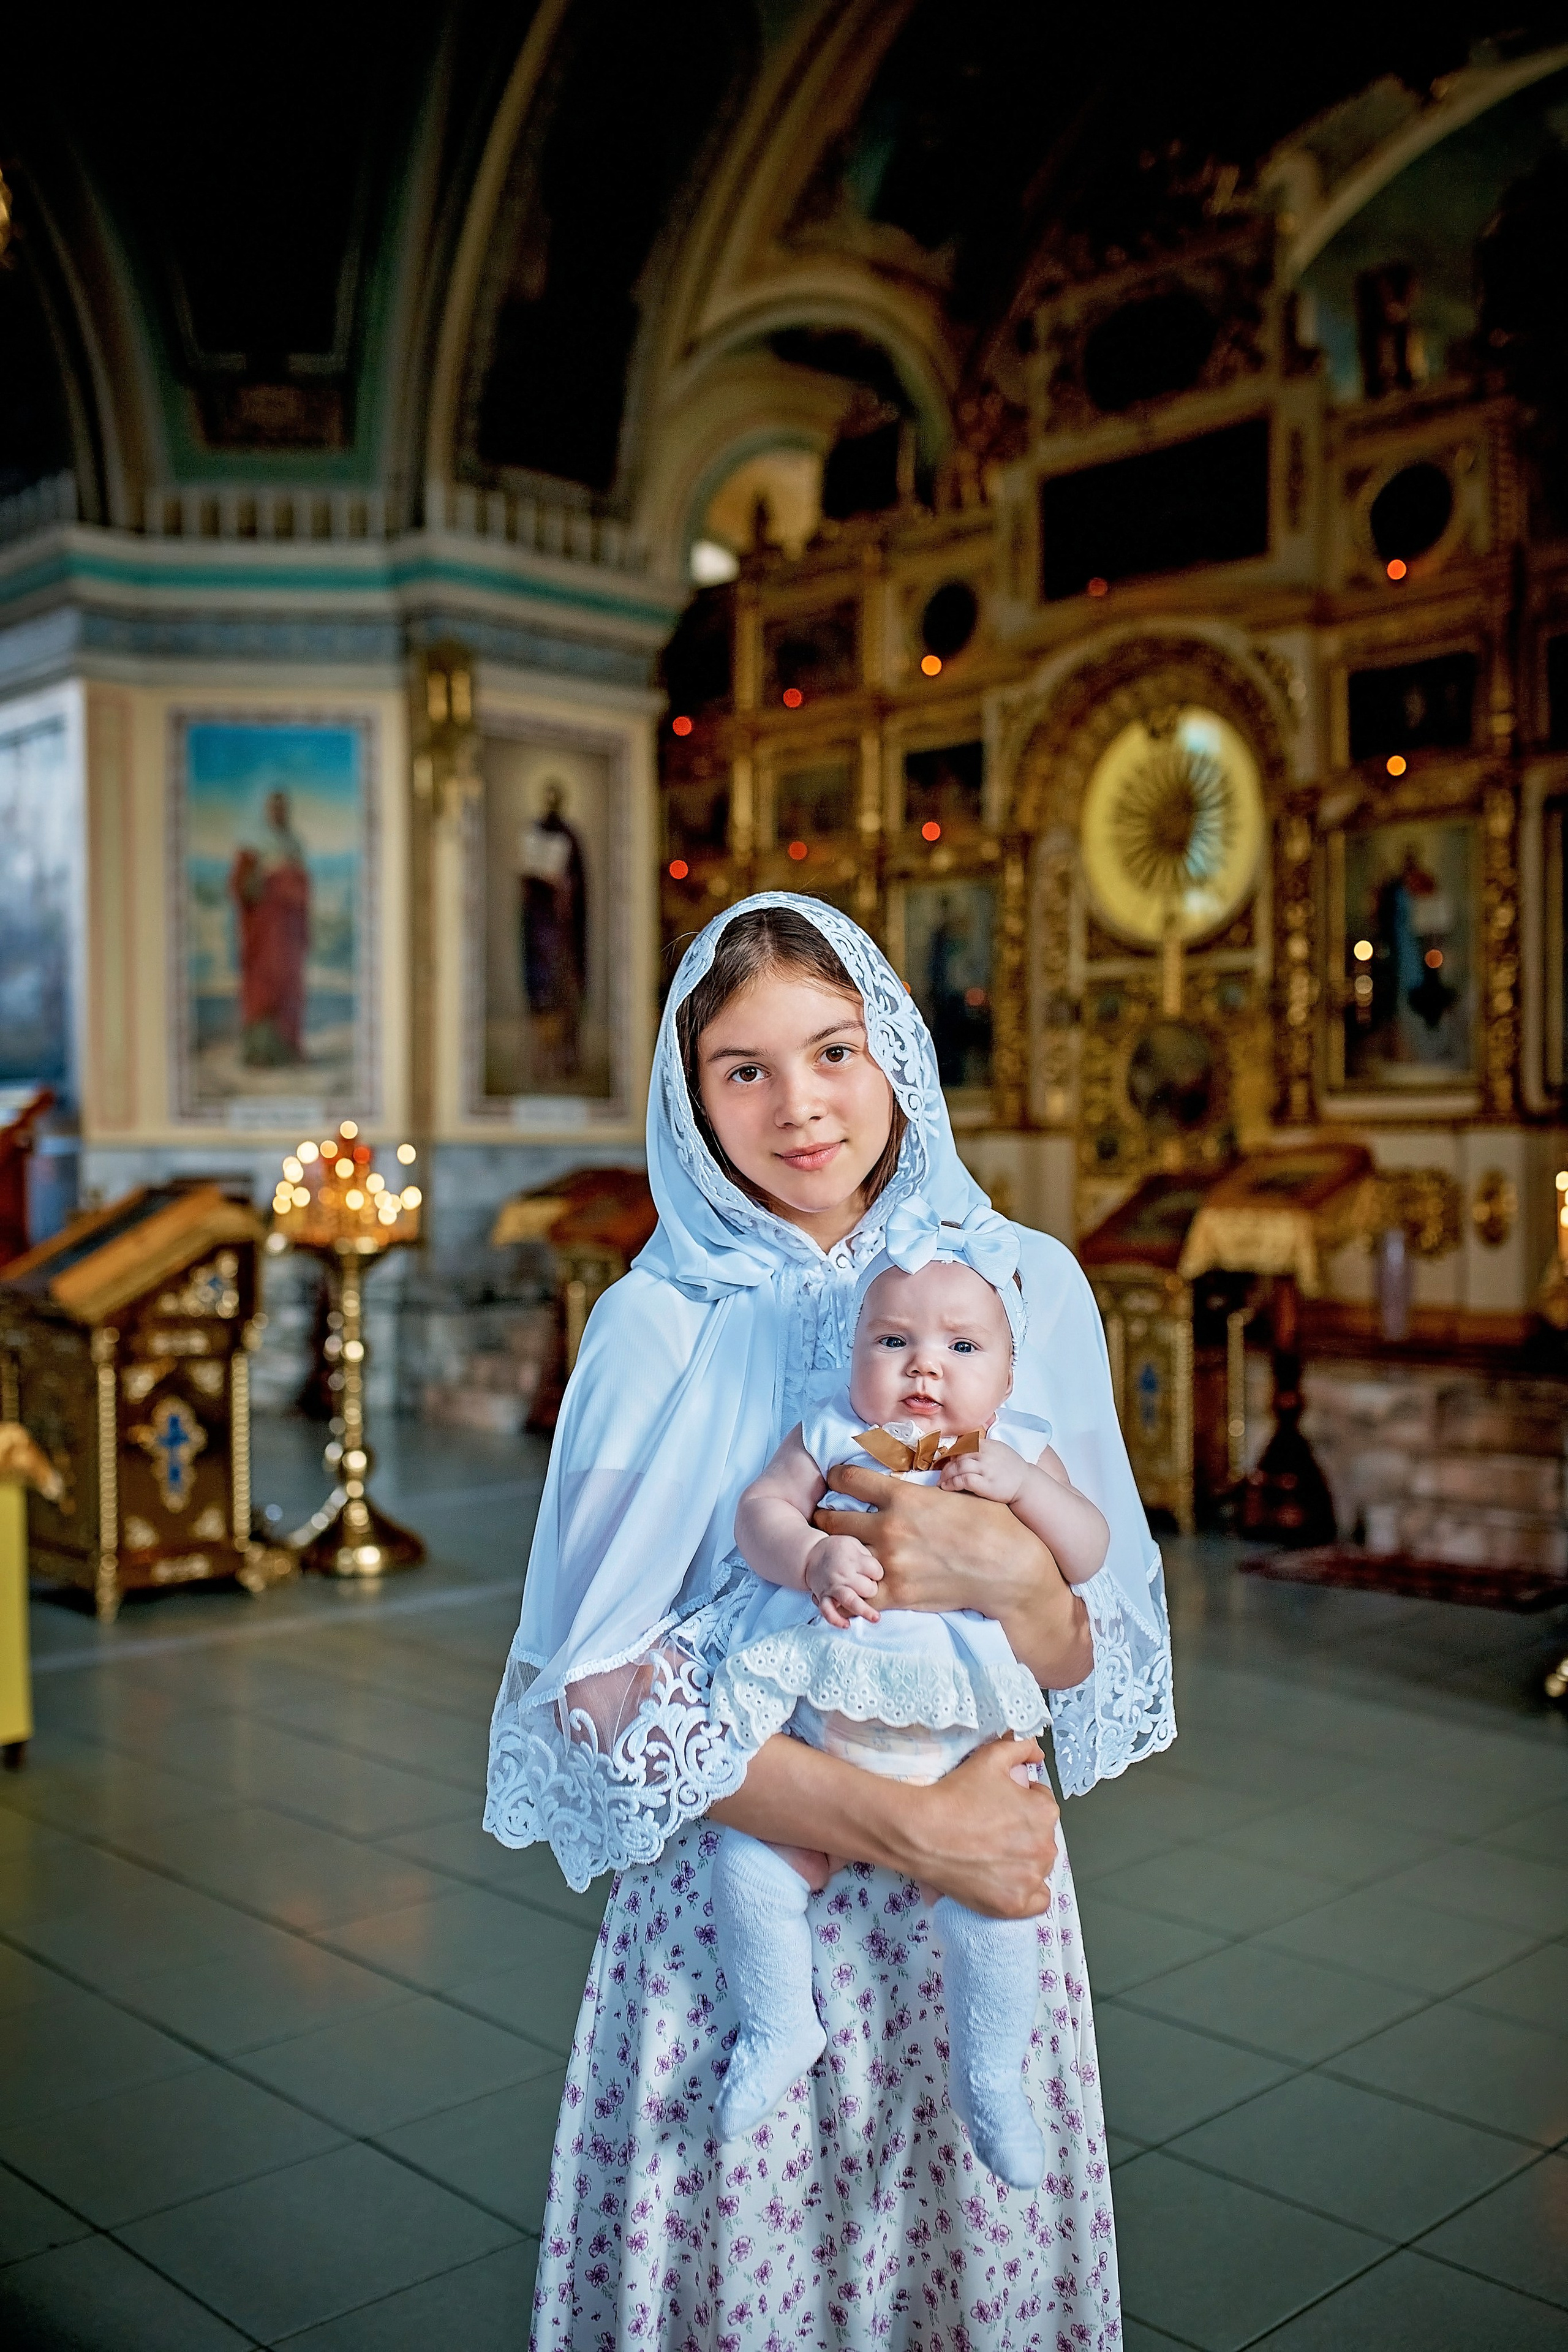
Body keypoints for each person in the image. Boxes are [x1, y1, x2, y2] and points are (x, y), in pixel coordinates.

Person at [485, 893, 1174, 2348]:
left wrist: (987, 1575)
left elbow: (1086, 1644)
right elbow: (591, 1696)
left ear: (896, 1054)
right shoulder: (652, 1324)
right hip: (740, 1922)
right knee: (757, 2284)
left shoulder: (1016, 1284)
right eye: (741, 1066)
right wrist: (901, 1825)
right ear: (690, 1096)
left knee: (962, 2266)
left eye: (833, 1050)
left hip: (971, 1912)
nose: (799, 1105)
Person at [709, 1205, 1110, 2184]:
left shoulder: (1015, 1446)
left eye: (962, 1345)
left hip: (959, 1748)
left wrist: (1025, 1486)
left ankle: (992, 2081)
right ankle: (777, 2026)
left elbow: (1089, 1552)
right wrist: (810, 1555)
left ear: (1008, 1377)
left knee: (997, 1911)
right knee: (748, 1870)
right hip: (824, 1733)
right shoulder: (830, 1430)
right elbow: (758, 1513)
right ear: (852, 1353)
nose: (924, 1368)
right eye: (894, 1341)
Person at [229, 788, 309, 1067]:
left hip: (287, 934)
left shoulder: (294, 844)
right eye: (273, 808)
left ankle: (287, 1049)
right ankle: (260, 1052)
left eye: (282, 808)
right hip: (263, 934)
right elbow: (241, 887)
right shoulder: (254, 846)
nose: (277, 813)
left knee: (287, 988)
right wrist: (266, 881)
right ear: (266, 812)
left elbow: (303, 889)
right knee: (263, 988)